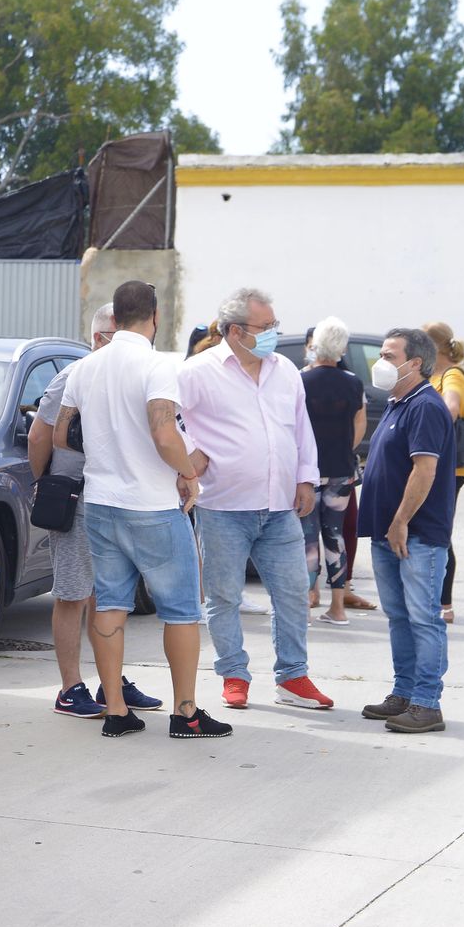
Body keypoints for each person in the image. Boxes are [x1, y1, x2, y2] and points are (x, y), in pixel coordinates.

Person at [54, 280, 232, 740]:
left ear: (113, 319)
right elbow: (163, 430)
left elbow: (60, 436)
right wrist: (188, 475)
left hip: (100, 503)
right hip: (152, 505)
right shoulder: (158, 364)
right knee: (181, 610)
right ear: (154, 317)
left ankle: (115, 710)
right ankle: (186, 713)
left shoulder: (85, 367)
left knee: (110, 603)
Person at [180, 288, 333, 711]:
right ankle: (233, 674)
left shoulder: (284, 369)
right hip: (223, 508)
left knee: (293, 592)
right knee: (224, 596)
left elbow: (301, 428)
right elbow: (165, 418)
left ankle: (293, 677)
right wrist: (191, 456)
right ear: (234, 331)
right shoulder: (198, 371)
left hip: (280, 507)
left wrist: (305, 478)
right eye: (264, 327)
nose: (272, 334)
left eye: (274, 325)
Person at [29, 304, 163, 717]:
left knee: (109, 596)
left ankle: (111, 683)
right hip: (78, 497)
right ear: (103, 337)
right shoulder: (75, 375)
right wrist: (47, 483)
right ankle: (69, 688)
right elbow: (40, 434)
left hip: (115, 497)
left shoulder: (134, 375)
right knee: (71, 593)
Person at [358, 328, 456, 733]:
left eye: (388, 354)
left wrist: (400, 522)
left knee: (422, 618)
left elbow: (425, 469)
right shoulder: (399, 403)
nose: (380, 362)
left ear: (414, 362)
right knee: (399, 617)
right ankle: (404, 693)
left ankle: (427, 704)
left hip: (413, 534)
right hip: (387, 532)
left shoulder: (425, 407)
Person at [301, 317, 367, 625]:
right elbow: (359, 424)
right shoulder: (353, 382)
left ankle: (304, 603)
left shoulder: (299, 379)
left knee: (306, 537)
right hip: (341, 469)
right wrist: (344, 449)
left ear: (315, 345)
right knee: (335, 534)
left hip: (307, 470)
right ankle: (337, 607)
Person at [423, 321, 464, 624]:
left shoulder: (452, 375)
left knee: (439, 531)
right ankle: (436, 599)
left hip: (449, 467)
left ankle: (445, 604)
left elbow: (450, 407)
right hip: (438, 465)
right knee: (433, 528)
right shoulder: (435, 374)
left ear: (434, 346)